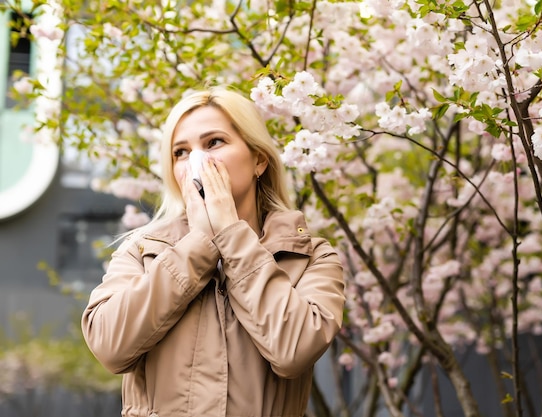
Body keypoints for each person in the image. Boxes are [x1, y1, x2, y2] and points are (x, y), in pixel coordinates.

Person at [81, 87, 346, 417]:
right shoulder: (142, 252)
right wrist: (198, 248)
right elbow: (109, 346)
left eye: (214, 143)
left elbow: (293, 350)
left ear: (259, 160)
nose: (196, 161)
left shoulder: (311, 258)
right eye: (181, 152)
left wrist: (231, 235)